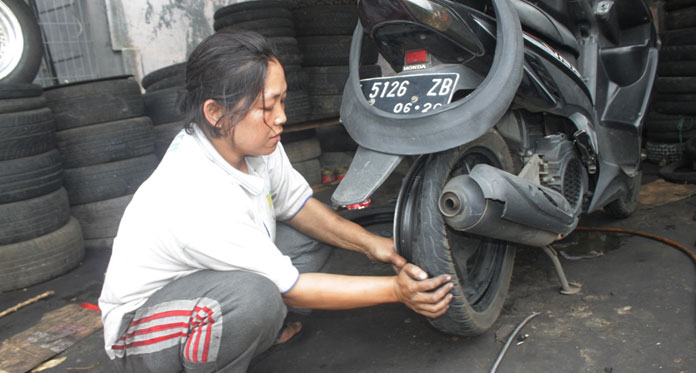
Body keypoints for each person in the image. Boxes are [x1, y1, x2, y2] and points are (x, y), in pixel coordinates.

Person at [98, 30, 453, 372]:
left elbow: (298, 207)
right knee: (255, 298)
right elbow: (293, 289)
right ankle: (225, 349)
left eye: (282, 100)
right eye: (268, 106)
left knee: (306, 237)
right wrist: (398, 290)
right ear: (215, 113)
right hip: (141, 334)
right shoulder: (195, 192)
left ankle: (253, 333)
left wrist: (373, 245)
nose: (281, 116)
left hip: (204, 286)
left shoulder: (257, 143)